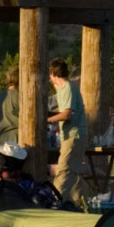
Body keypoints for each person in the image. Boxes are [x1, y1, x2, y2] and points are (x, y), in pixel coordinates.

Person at [46, 56, 87, 206]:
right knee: (74, 172)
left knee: (63, 170)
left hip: (73, 135)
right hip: (74, 135)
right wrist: (50, 114)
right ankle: (79, 203)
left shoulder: (68, 88)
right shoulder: (64, 89)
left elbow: (67, 114)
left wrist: (48, 120)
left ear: (53, 74)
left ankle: (55, 202)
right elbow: (62, 110)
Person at [0, 66, 20, 176]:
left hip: (2, 138)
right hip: (18, 137)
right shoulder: (21, 96)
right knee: (17, 170)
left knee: (4, 169)